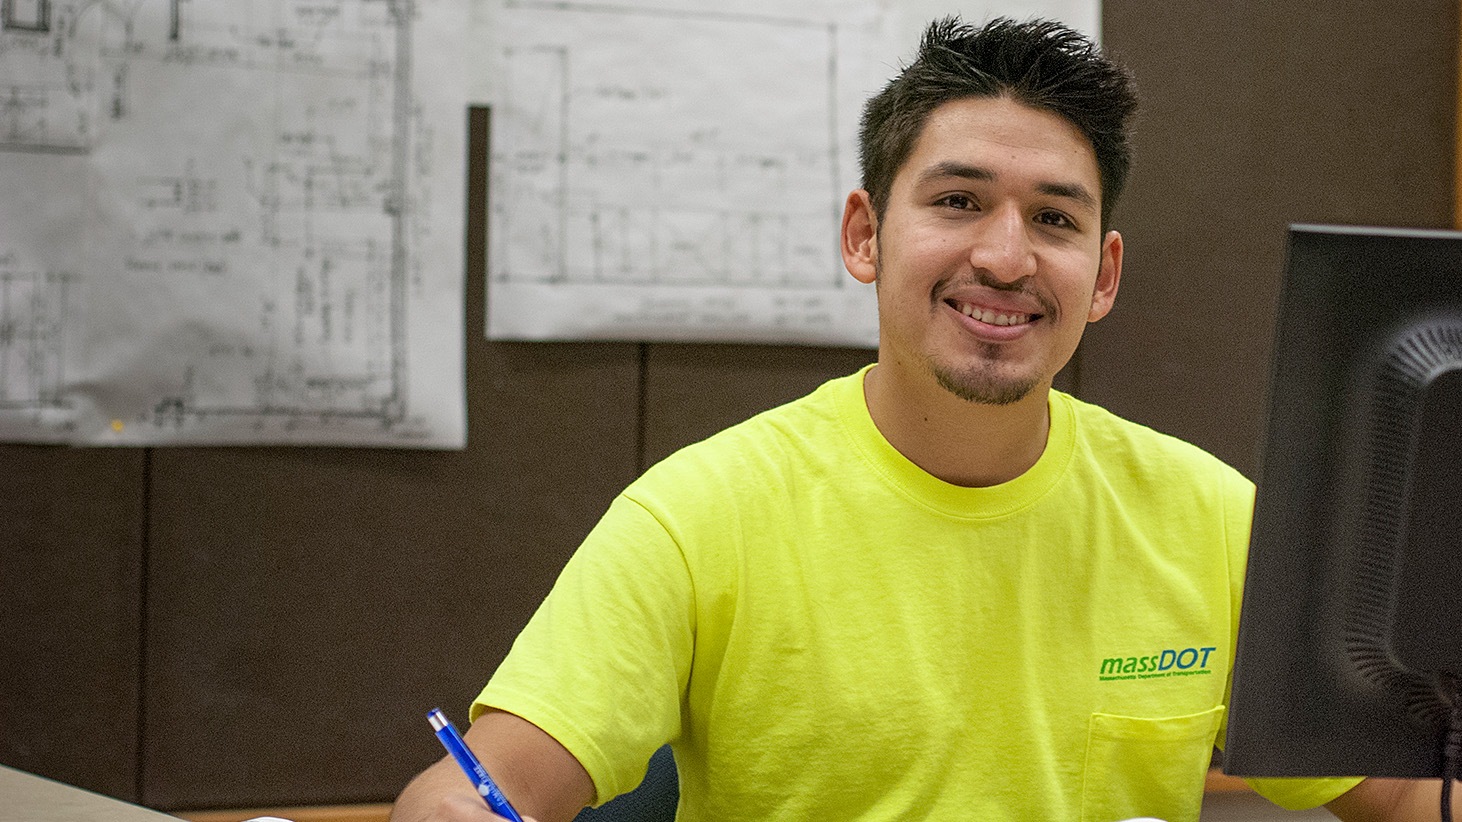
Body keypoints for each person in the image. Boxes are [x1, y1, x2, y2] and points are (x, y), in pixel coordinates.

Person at [393, 17, 1456, 822]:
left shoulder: (1212, 520)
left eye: (1053, 218)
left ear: (1103, 275)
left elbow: (1409, 798)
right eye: (956, 202)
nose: (1004, 255)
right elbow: (474, 792)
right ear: (865, 234)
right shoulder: (700, 514)